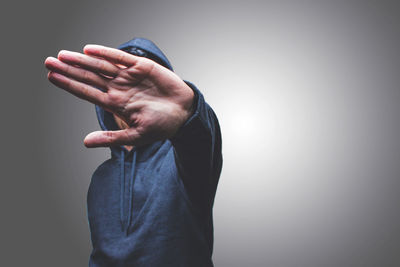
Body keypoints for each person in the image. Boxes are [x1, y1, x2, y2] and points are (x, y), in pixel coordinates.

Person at [44, 37, 223, 266]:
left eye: (142, 86)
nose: (133, 96)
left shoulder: (182, 159)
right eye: (121, 83)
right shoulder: (101, 177)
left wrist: (187, 111)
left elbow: (199, 139)